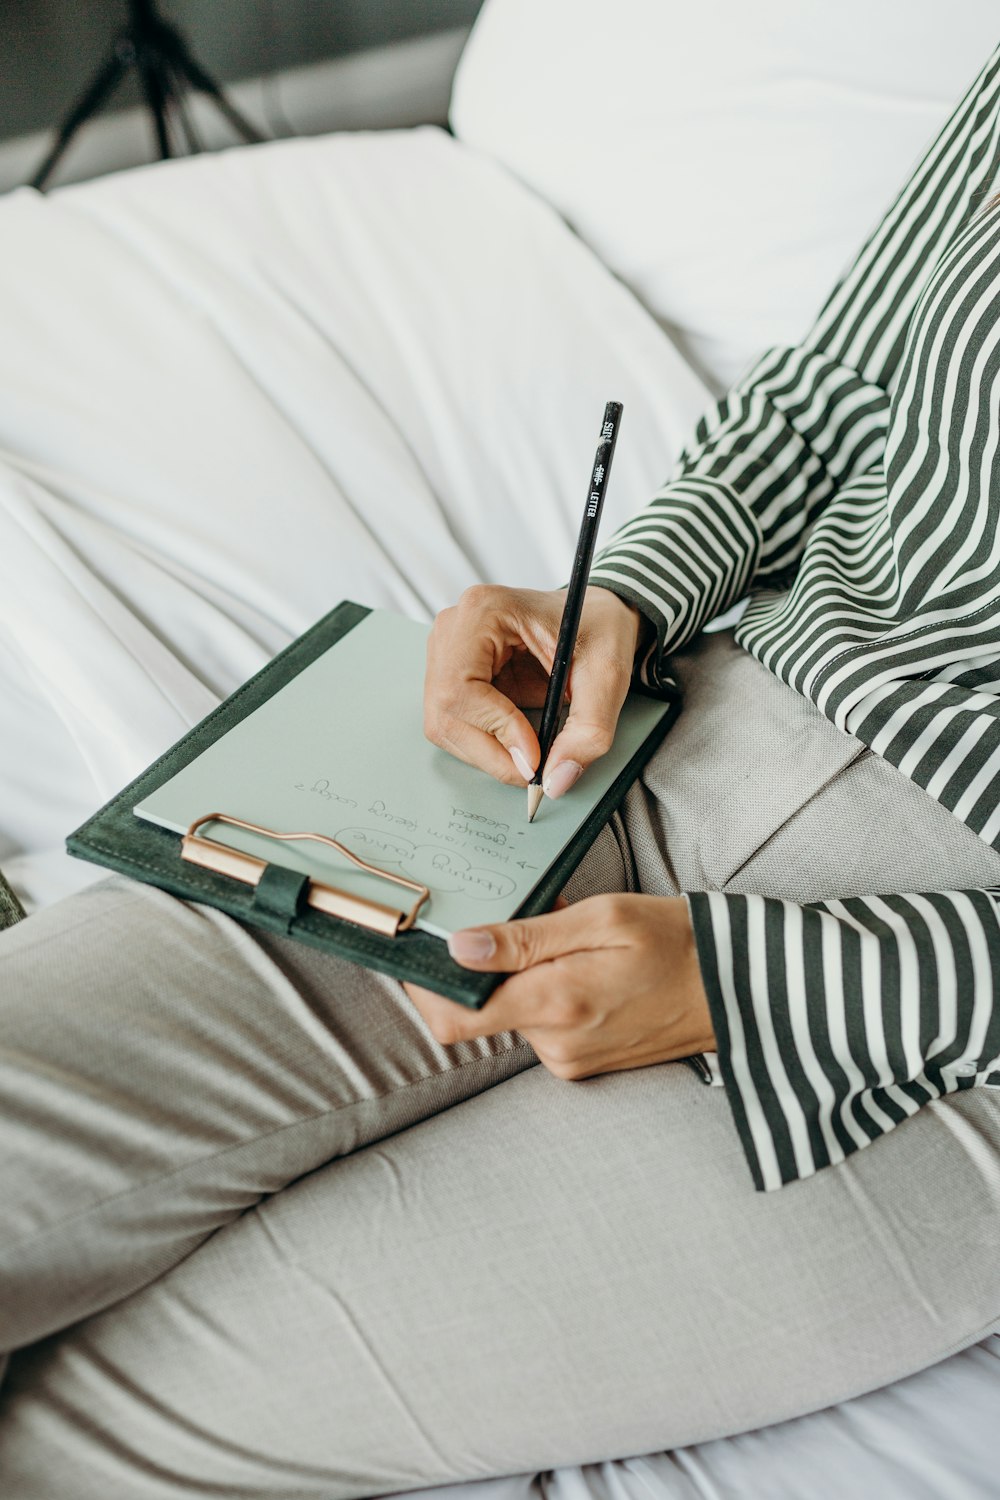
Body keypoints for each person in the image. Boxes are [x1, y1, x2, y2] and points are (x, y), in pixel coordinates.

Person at [1, 38, 1000, 1500]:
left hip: (947, 1042)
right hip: (677, 735)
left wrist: (768, 984)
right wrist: (628, 595)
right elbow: (846, 386)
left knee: (78, 1443)